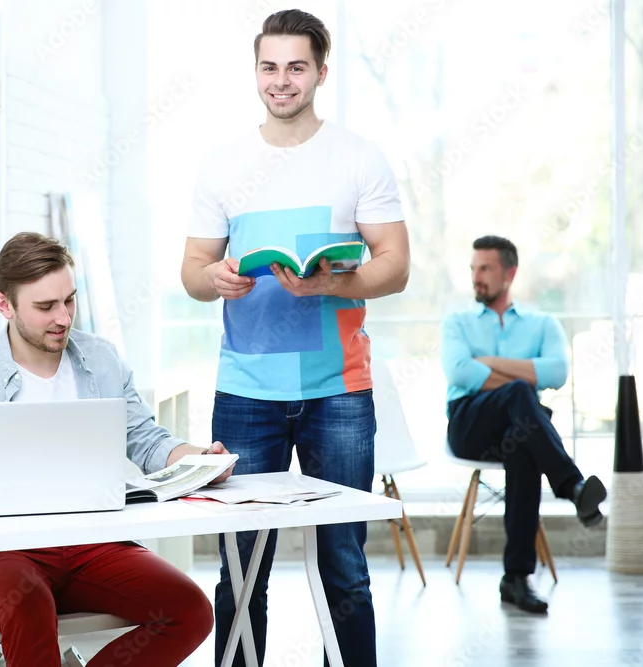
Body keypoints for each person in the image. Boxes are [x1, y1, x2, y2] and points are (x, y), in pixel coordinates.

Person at [180, 9, 410, 667]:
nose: (281, 80)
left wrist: (332, 284)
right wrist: (215, 278)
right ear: (256, 71)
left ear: (321, 73)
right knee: (241, 569)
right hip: (245, 393)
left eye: (296, 67)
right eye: (269, 67)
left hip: (339, 392)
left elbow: (396, 265)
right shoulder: (223, 164)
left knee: (345, 566)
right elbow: (192, 272)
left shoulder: (358, 157)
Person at [0, 232, 232, 667]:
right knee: (27, 606)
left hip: (94, 544)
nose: (63, 317)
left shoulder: (101, 358)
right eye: (46, 306)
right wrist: (3, 475)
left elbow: (146, 439)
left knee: (189, 611)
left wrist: (198, 461)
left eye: (69, 300)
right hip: (3, 551)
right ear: (4, 305)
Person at [441, 235, 607, 614]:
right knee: (521, 395)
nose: (476, 277)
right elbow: (460, 372)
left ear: (509, 273)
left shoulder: (541, 323)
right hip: (468, 424)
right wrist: (524, 376)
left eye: (485, 269)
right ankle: (572, 486)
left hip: (518, 428)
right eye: (473, 269)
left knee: (524, 441)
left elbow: (557, 372)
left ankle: (515, 578)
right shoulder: (457, 321)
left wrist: (488, 363)